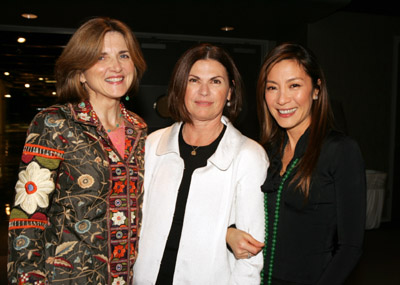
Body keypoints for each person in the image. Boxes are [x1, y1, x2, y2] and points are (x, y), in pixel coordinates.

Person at [7, 17, 147, 284]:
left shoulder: (139, 130)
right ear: (80, 72)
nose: (116, 66)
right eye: (100, 57)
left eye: (123, 55)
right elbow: (27, 215)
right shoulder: (54, 123)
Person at [227, 42, 366, 284]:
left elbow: (350, 247)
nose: (282, 99)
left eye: (294, 85)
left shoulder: (341, 150)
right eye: (272, 87)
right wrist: (229, 233)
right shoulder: (264, 152)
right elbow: (239, 213)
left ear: (316, 89)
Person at [133, 43, 268, 284]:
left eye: (215, 81)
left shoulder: (249, 155)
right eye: (194, 80)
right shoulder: (152, 145)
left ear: (230, 91)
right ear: (180, 87)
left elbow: (250, 254)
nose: (203, 91)